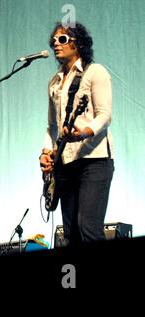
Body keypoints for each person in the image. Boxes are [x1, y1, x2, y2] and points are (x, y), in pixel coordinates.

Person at [39, 22, 114, 246]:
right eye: (54, 41)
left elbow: (104, 114)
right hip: (66, 162)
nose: (56, 45)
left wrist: (85, 133)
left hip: (95, 160)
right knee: (71, 233)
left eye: (62, 40)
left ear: (78, 43)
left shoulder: (95, 72)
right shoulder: (54, 82)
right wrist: (45, 152)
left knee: (88, 227)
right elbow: (52, 126)